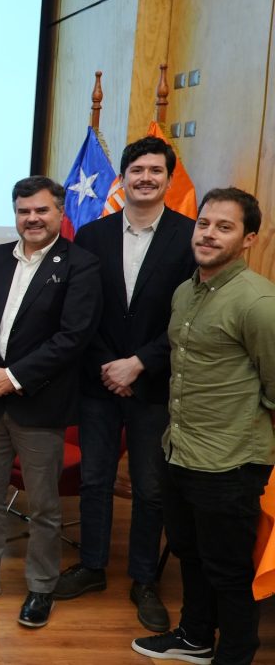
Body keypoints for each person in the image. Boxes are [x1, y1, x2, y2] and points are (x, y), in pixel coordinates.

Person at [0, 176, 101, 628]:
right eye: (23, 211)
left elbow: (73, 336)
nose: (32, 218)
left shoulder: (80, 264)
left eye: (41, 210)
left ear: (59, 213)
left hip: (39, 405)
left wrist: (13, 378)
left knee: (44, 507)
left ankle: (40, 586)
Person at [58, 136, 196, 632]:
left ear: (168, 179)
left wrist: (139, 363)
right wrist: (109, 366)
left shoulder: (189, 236)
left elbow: (188, 317)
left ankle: (144, 579)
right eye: (137, 170)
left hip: (154, 381)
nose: (145, 178)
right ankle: (92, 566)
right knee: (94, 479)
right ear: (123, 177)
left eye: (155, 171)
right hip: (99, 380)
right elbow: (82, 312)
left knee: (150, 487)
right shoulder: (92, 235)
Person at [132, 187, 275, 665]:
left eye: (224, 227)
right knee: (188, 553)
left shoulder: (259, 302)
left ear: (248, 239)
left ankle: (235, 654)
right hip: (179, 449)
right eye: (204, 223)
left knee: (227, 568)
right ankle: (194, 637)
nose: (209, 234)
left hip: (230, 461)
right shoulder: (186, 291)